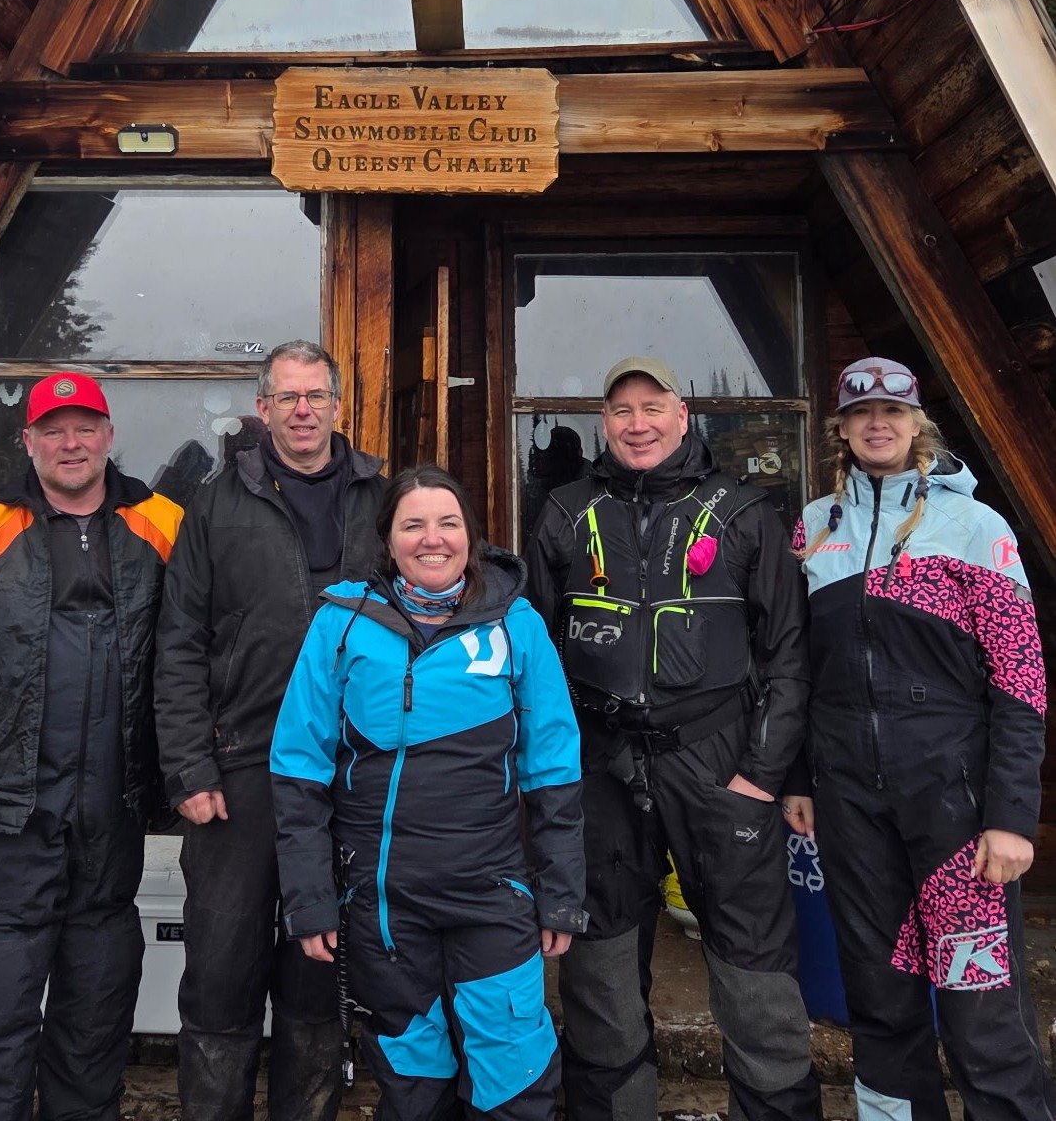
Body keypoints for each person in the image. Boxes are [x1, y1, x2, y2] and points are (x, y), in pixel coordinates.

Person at [0, 371, 183, 1121]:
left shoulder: (166, 525)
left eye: (84, 428)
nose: (70, 443)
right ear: (28, 441)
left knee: (95, 1026)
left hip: (111, 822)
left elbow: (204, 654)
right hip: (3, 821)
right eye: (53, 430)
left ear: (109, 436)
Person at [525, 355, 821, 1121]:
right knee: (600, 970)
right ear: (603, 423)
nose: (637, 425)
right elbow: (534, 654)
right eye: (621, 411)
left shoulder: (744, 511)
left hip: (718, 761)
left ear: (681, 415)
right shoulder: (564, 512)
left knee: (753, 966)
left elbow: (788, 657)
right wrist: (556, 768)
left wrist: (760, 775)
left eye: (651, 407)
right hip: (601, 764)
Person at [271, 463, 586, 1121]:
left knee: (513, 1080)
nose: (432, 538)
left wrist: (561, 894)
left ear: (471, 536)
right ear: (388, 540)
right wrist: (309, 897)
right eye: (413, 525)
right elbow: (300, 767)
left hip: (491, 895)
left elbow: (553, 765)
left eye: (448, 522)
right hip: (384, 903)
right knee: (412, 1087)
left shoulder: (516, 623)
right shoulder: (341, 623)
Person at [784, 357, 1054, 1121]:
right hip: (848, 804)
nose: (877, 424)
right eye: (860, 412)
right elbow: (798, 666)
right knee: (878, 998)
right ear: (840, 428)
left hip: (952, 806)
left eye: (892, 412)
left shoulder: (974, 525)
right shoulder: (813, 526)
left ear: (915, 424)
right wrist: (799, 777)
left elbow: (1019, 677)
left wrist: (1010, 815)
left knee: (979, 1008)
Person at [154, 339, 387, 1121]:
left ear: (338, 405)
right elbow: (179, 641)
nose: (302, 411)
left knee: (319, 972)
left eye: (315, 396)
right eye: (286, 397)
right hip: (240, 768)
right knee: (220, 970)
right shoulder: (217, 503)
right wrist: (189, 768)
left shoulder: (380, 497)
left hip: (349, 771)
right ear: (263, 409)